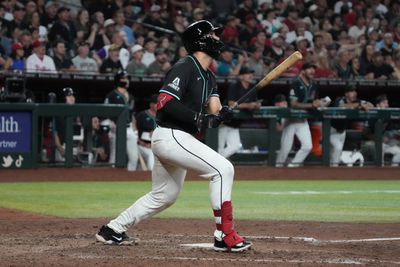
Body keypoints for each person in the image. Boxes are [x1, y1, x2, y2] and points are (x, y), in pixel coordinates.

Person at [95, 20, 251, 253]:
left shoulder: (209, 76)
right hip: (172, 135)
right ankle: (224, 234)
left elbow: (214, 110)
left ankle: (112, 229)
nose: (218, 39)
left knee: (164, 196)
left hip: (177, 139)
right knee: (223, 169)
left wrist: (223, 113)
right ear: (200, 40)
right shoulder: (185, 66)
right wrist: (201, 119)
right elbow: (164, 103)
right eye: (213, 35)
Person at [276, 63, 323, 167]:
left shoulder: (313, 84)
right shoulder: (296, 83)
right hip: (291, 119)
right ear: (303, 71)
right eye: (309, 69)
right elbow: (293, 104)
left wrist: (319, 102)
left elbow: (314, 100)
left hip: (303, 120)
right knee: (285, 149)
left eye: (313, 69)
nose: (312, 71)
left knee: (307, 146)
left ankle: (293, 166)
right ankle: (277, 168)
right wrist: (311, 105)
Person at [218, 66, 261, 158]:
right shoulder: (235, 86)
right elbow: (231, 103)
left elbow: (255, 101)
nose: (250, 75)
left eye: (251, 74)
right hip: (223, 122)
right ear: (241, 76)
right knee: (219, 148)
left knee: (235, 146)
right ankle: (217, 163)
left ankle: (217, 161)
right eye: (247, 73)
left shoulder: (252, 88)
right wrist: (248, 105)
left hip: (235, 124)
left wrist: (256, 105)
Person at [330, 85, 374, 167]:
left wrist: (363, 105)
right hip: (331, 130)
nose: (354, 93)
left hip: (342, 131)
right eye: (351, 91)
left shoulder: (357, 101)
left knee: (336, 153)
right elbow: (342, 106)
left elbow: (371, 105)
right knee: (337, 148)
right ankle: (332, 170)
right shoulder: (340, 99)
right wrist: (358, 105)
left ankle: (332, 171)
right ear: (346, 94)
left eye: (354, 91)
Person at [104, 70, 138, 171]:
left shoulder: (131, 96)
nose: (127, 80)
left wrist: (135, 129)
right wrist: (110, 123)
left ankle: (129, 179)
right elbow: (105, 111)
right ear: (118, 80)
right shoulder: (111, 95)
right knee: (114, 156)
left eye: (127, 78)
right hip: (116, 128)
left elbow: (132, 114)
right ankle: (110, 179)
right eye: (124, 78)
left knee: (134, 158)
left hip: (128, 128)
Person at [362, 94, 400, 167]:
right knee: (380, 149)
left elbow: (391, 132)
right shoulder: (372, 116)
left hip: (383, 144)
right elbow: (365, 134)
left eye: (387, 103)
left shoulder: (387, 116)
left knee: (398, 151)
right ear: (378, 105)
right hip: (369, 143)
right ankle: (379, 170)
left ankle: (392, 171)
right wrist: (379, 139)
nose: (387, 105)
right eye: (384, 103)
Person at [135, 95, 158, 170]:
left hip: (156, 146)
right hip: (142, 146)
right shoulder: (142, 115)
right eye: (156, 103)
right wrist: (142, 143)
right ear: (151, 104)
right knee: (151, 155)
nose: (158, 105)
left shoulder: (162, 117)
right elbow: (134, 131)